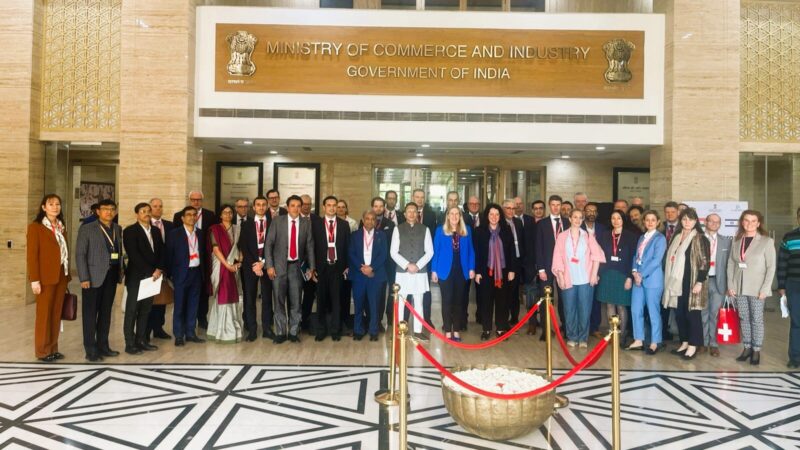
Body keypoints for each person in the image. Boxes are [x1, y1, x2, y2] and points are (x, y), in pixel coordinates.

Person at [76, 198, 123, 362]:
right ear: (98, 211)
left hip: (111, 276)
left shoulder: (118, 228)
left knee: (105, 313)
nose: (109, 212)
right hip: (92, 277)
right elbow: (80, 254)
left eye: (112, 209)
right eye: (105, 209)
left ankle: (103, 345)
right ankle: (91, 349)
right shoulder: (87, 229)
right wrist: (84, 277)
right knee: (90, 315)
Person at [727, 210, 775, 366]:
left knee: (757, 320)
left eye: (753, 221)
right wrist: (731, 285)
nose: (750, 223)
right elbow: (731, 264)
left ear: (758, 223)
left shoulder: (766, 241)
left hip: (757, 288)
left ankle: (756, 350)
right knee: (744, 318)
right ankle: (747, 348)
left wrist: (765, 289)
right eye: (746, 220)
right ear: (742, 222)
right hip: (739, 287)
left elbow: (771, 267)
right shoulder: (736, 241)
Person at [265, 195, 315, 344]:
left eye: (298, 206)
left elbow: (310, 246)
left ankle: (293, 332)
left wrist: (312, 267)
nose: (295, 208)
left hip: (296, 268)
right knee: (279, 301)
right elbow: (269, 244)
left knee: (296, 301)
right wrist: (269, 266)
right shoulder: (277, 221)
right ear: (287, 207)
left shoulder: (306, 223)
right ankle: (280, 332)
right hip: (279, 267)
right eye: (292, 205)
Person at [552, 209, 605, 348]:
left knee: (585, 309)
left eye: (580, 218)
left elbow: (597, 256)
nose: (577, 220)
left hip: (585, 279)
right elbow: (557, 258)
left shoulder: (588, 236)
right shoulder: (562, 236)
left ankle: (583, 338)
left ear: (582, 220)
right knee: (569, 310)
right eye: (574, 217)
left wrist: (594, 274)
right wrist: (561, 276)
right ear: (569, 219)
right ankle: (571, 336)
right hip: (569, 279)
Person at [27, 194, 71, 362]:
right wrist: (34, 280)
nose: (55, 207)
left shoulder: (60, 226)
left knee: (56, 313)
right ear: (43, 207)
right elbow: (32, 256)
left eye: (57, 204)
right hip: (44, 277)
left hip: (61, 274)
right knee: (44, 314)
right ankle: (42, 351)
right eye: (51, 204)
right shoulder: (36, 227)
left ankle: (53, 348)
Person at [662, 208, 710, 360]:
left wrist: (700, 282)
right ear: (680, 221)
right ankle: (684, 341)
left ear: (696, 221)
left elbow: (704, 262)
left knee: (692, 315)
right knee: (679, 315)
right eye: (684, 219)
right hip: (676, 282)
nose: (687, 222)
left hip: (692, 282)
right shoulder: (676, 237)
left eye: (690, 219)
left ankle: (693, 345)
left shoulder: (700, 238)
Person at [122, 202, 164, 355]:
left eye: (148, 210)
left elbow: (161, 251)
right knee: (132, 310)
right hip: (137, 277)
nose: (146, 213)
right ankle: (129, 343)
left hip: (153, 277)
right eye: (143, 211)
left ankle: (141, 340)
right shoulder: (130, 231)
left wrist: (159, 269)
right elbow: (134, 255)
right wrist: (151, 271)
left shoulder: (156, 230)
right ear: (137, 214)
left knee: (146, 310)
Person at [390, 202, 434, 340]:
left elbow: (430, 252)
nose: (411, 214)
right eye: (409, 211)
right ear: (404, 214)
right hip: (403, 272)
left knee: (418, 302)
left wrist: (418, 265)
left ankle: (418, 331)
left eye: (414, 211)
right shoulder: (397, 229)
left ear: (418, 214)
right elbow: (393, 252)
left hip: (419, 272)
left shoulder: (425, 229)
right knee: (401, 302)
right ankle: (399, 330)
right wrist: (407, 265)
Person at [432, 206, 476, 342]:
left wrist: (471, 268)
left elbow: (471, 251)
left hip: (461, 271)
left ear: (460, 216)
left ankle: (456, 330)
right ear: (447, 216)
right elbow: (436, 252)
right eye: (452, 214)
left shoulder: (466, 230)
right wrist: (434, 270)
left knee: (459, 302)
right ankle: (447, 330)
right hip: (445, 271)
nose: (454, 216)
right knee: (447, 301)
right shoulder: (440, 230)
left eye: (457, 214)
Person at [474, 203, 518, 340]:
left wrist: (512, 270)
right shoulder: (479, 231)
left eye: (497, 214)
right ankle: (486, 329)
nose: (494, 217)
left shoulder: (506, 230)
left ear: (500, 216)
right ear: (487, 216)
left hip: (503, 272)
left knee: (502, 301)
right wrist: (477, 272)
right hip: (486, 272)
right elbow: (477, 253)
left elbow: (511, 252)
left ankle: (500, 328)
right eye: (491, 214)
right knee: (486, 301)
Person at [165, 206, 206, 346]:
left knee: (193, 305)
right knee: (180, 306)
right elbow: (169, 255)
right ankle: (179, 335)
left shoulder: (200, 233)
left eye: (194, 215)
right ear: (182, 218)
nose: (192, 217)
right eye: (188, 215)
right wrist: (170, 275)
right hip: (181, 274)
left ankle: (190, 333)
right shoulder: (174, 234)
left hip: (196, 273)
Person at [628, 210, 667, 354]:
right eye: (647, 220)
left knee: (653, 311)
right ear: (643, 222)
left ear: (658, 222)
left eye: (653, 220)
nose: (650, 222)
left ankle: (655, 342)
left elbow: (656, 260)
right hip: (638, 279)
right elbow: (636, 257)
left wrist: (641, 274)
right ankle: (638, 339)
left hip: (652, 280)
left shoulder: (660, 238)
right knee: (635, 309)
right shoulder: (641, 237)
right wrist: (633, 271)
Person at [311, 196, 350, 341]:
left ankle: (335, 330)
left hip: (338, 267)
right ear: (323, 207)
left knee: (336, 300)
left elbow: (347, 247)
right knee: (321, 300)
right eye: (329, 205)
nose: (332, 208)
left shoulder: (344, 225)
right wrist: (312, 267)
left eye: (335, 205)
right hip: (321, 267)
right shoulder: (315, 224)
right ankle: (321, 330)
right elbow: (311, 247)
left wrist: (346, 266)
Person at [597, 210, 637, 346]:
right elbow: (600, 255)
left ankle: (622, 333)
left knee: (621, 305)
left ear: (623, 220)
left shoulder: (631, 236)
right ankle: (611, 331)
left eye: (618, 218)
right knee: (609, 304)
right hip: (607, 273)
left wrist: (629, 277)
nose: (616, 221)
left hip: (623, 274)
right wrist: (598, 273)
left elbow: (633, 257)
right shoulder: (604, 235)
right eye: (613, 218)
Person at [206, 204, 244, 343]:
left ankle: (232, 329)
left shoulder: (237, 229)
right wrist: (227, 265)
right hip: (221, 266)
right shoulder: (214, 229)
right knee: (223, 295)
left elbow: (240, 248)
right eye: (225, 212)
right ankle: (220, 331)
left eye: (230, 212)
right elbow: (215, 250)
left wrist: (239, 260)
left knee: (233, 295)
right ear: (220, 215)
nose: (228, 215)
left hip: (234, 268)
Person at [239, 196, 274, 341]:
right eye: (258, 205)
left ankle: (266, 329)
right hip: (250, 267)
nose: (261, 207)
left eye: (263, 205)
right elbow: (243, 246)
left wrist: (263, 263)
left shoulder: (274, 223)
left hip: (267, 266)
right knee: (250, 298)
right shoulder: (246, 225)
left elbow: (275, 245)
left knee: (267, 299)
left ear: (267, 207)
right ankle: (252, 330)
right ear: (253, 208)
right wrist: (255, 264)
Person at [350, 210, 388, 341]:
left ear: (376, 221)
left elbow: (383, 254)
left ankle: (373, 330)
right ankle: (358, 330)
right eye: (367, 218)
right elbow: (351, 253)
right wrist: (363, 268)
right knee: (358, 304)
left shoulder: (381, 235)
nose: (370, 221)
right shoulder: (355, 235)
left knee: (374, 305)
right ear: (363, 219)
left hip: (375, 275)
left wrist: (372, 268)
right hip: (359, 275)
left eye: (373, 219)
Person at [535, 195, 567, 339]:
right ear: (549, 205)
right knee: (546, 298)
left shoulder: (567, 222)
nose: (555, 207)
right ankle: (546, 330)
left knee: (564, 297)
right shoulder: (542, 224)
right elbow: (538, 247)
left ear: (561, 206)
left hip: (564, 267)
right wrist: (540, 268)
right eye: (553, 205)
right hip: (547, 266)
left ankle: (565, 327)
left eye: (558, 205)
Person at [702, 213, 731, 357]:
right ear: (705, 222)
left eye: (717, 222)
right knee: (702, 313)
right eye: (711, 221)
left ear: (720, 224)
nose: (714, 224)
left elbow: (729, 265)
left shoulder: (726, 242)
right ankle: (703, 342)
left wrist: (729, 285)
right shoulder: (698, 239)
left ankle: (713, 344)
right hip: (702, 281)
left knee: (714, 314)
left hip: (718, 282)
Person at [147, 198, 173, 341]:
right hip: (150, 270)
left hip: (165, 268)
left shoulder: (169, 225)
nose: (158, 209)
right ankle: (146, 329)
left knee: (161, 300)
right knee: (149, 301)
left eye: (160, 206)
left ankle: (158, 328)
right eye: (155, 206)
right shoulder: (145, 225)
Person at [412, 188, 439, 328]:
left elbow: (433, 236)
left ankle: (426, 319)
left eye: (422, 197)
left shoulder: (431, 214)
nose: (420, 199)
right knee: (408, 290)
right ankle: (405, 319)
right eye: (417, 197)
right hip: (409, 259)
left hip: (426, 258)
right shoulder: (406, 213)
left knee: (426, 290)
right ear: (412, 197)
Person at [368, 197, 395, 333]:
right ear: (372, 207)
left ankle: (385, 319)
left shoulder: (390, 224)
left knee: (386, 293)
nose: (378, 208)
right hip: (370, 264)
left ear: (384, 208)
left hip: (387, 264)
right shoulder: (366, 222)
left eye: (380, 206)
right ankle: (373, 320)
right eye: (375, 206)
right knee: (373, 294)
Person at [778, 207, 800, 368]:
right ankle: (795, 358)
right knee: (797, 322)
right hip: (794, 285)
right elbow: (782, 263)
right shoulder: (789, 237)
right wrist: (781, 286)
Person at [502, 199, 525, 325]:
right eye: (508, 208)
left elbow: (522, 241)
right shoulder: (500, 223)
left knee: (515, 292)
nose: (511, 211)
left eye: (513, 208)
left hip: (517, 261)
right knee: (506, 292)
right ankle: (504, 320)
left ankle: (515, 318)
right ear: (503, 209)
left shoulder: (518, 222)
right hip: (506, 262)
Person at [299, 194, 318, 331]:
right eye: (304, 204)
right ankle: (294, 321)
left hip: (312, 265)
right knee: (295, 295)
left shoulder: (317, 220)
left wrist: (313, 266)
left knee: (309, 295)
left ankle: (305, 321)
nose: (306, 206)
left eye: (309, 204)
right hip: (296, 265)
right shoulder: (293, 219)